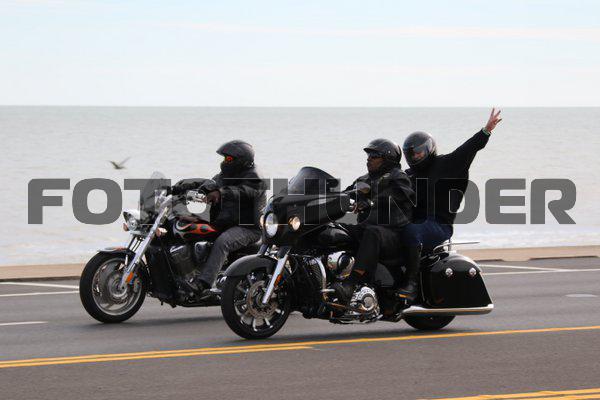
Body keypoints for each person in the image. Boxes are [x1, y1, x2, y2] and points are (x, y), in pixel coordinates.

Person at [394, 108, 502, 303]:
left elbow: (468, 149)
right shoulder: (409, 174)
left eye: (418, 152)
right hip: (414, 221)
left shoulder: (447, 164)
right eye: (411, 154)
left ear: (428, 149)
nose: (415, 157)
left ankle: (411, 283)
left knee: (411, 232)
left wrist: (486, 131)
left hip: (438, 224)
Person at [172, 140, 266, 299]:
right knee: (188, 227)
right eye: (224, 158)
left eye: (228, 159)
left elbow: (243, 191)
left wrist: (220, 193)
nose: (224, 162)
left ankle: (203, 283)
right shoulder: (226, 175)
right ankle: (186, 273)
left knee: (223, 242)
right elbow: (207, 184)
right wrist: (178, 189)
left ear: (241, 160)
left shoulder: (255, 177)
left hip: (248, 227)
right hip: (225, 222)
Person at [335, 139, 417, 305]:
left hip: (393, 235)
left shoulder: (398, 177)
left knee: (372, 232)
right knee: (335, 229)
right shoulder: (364, 179)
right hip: (367, 229)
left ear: (388, 158)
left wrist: (371, 202)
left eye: (374, 156)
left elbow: (397, 195)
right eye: (368, 156)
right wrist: (321, 200)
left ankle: (351, 284)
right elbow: (345, 194)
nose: (369, 159)